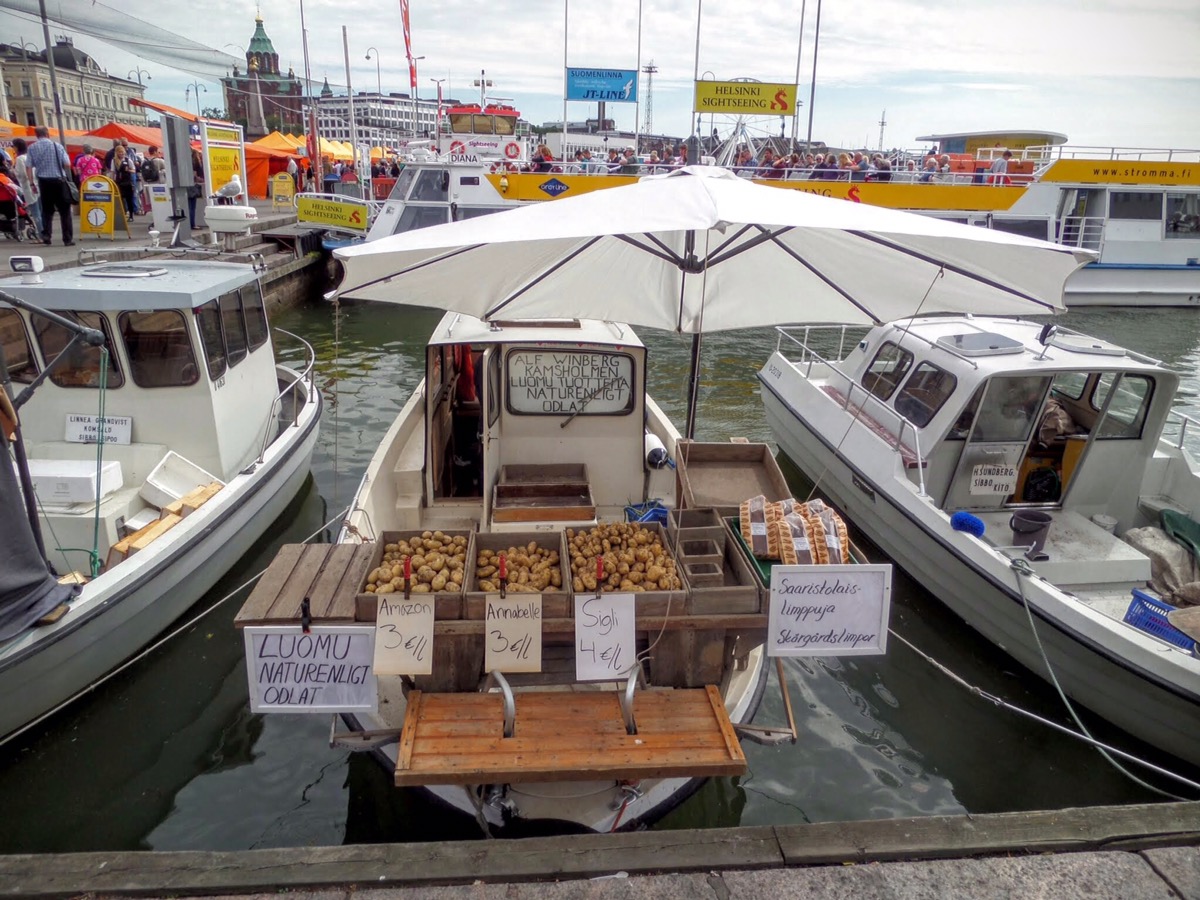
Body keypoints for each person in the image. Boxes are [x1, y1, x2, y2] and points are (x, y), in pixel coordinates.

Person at [25, 125, 74, 246]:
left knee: (47, 210)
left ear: (36, 135)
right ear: (48, 134)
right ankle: (67, 239)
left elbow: (29, 167)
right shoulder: (57, 146)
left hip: (43, 182)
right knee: (64, 211)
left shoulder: (32, 148)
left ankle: (46, 235)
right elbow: (67, 164)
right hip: (59, 181)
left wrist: (32, 183)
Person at [11, 138, 39, 228]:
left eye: (13, 146)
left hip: (28, 186)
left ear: (17, 147)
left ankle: (41, 233)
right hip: (36, 184)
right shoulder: (29, 156)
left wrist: (15, 173)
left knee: (35, 212)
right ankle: (43, 231)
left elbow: (23, 174)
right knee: (39, 210)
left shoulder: (19, 159)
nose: (13, 148)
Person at [111, 145, 137, 220]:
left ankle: (131, 215)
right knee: (120, 199)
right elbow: (113, 172)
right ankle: (123, 214)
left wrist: (128, 170)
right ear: (116, 153)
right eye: (119, 152)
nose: (121, 154)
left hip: (127, 182)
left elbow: (134, 170)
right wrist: (113, 181)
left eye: (122, 152)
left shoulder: (128, 160)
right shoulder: (114, 160)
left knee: (129, 199)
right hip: (119, 182)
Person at [188, 148, 204, 229]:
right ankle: (192, 224)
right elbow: (199, 176)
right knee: (192, 206)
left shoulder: (184, 161)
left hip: (184, 185)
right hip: (193, 185)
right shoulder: (196, 163)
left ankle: (186, 224)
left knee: (186, 206)